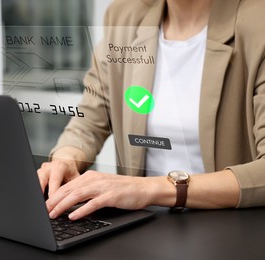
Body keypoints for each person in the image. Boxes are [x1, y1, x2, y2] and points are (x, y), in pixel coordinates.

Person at [37, 0, 265, 221]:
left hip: (232, 231)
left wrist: (150, 189)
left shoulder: (257, 21)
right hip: (143, 228)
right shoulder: (124, 15)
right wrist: (66, 159)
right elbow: (90, 119)